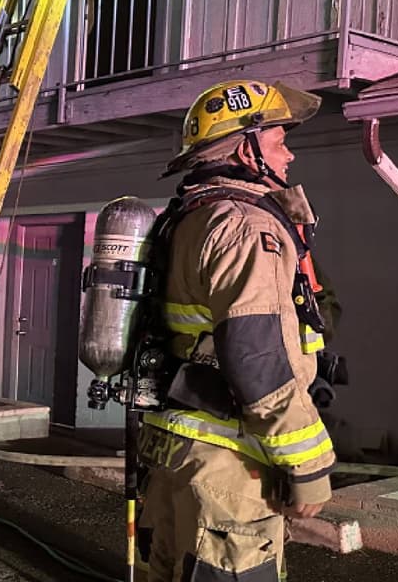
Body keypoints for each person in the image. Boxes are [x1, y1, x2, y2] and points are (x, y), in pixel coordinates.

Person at [136, 80, 336, 582]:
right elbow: (258, 358)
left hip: (174, 451)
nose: (289, 154)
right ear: (246, 147)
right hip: (229, 465)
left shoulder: (190, 216)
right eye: (277, 141)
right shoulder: (246, 226)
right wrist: (308, 465)